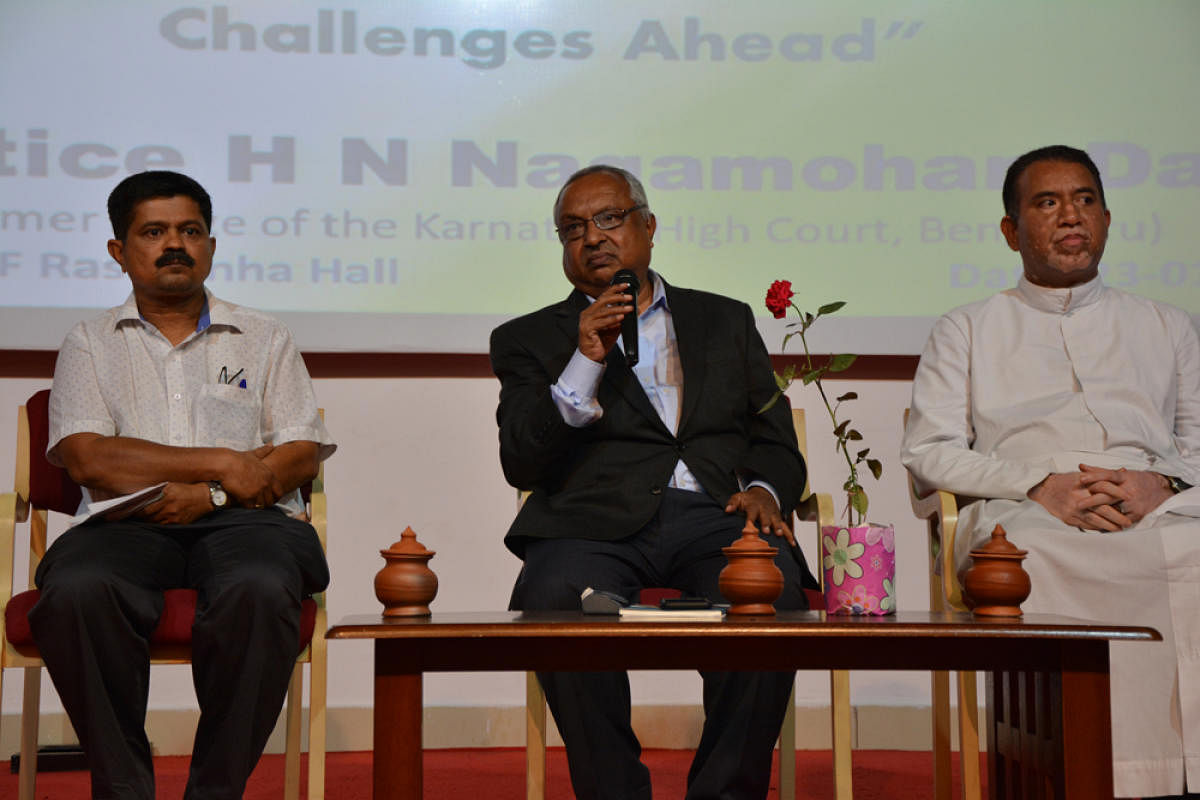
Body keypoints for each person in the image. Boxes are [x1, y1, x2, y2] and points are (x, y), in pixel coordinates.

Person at [489, 164, 817, 800]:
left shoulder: (724, 320)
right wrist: (584, 359)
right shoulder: (528, 339)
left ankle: (725, 792)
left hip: (719, 514)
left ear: (648, 225)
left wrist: (765, 493)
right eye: (573, 229)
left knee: (773, 597)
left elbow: (774, 438)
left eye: (610, 219)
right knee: (553, 594)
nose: (593, 238)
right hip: (591, 524)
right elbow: (521, 463)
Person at [901, 145, 1200, 799]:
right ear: (1011, 232)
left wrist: (1164, 485)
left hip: (1155, 500)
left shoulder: (1168, 325)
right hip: (1025, 506)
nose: (1071, 215)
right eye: (1048, 202)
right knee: (1047, 555)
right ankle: (1079, 773)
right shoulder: (969, 328)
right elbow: (929, 451)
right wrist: (1038, 486)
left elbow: (1198, 447)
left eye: (1085, 199)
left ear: (1108, 218)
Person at [31, 170, 334, 800]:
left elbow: (298, 452)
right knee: (76, 590)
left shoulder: (265, 337)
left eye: (190, 231)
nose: (175, 244)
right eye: (154, 232)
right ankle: (123, 789)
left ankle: (215, 791)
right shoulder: (87, 343)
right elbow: (89, 459)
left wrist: (218, 491)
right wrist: (225, 461)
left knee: (259, 586)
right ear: (120, 251)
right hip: (127, 525)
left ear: (211, 246)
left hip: (248, 524)